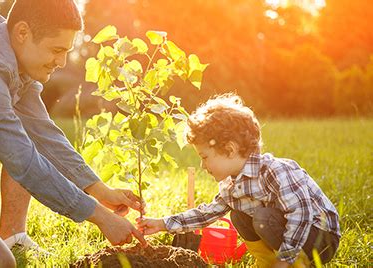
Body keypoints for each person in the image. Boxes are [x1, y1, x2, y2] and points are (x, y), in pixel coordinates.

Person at [0, 0, 147, 266]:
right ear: (22, 32)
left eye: (67, 51)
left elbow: (44, 135)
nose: (62, 62)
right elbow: (23, 161)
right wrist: (100, 216)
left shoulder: (14, 57)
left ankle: (12, 235)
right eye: (56, 50)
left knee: (22, 136)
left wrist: (100, 190)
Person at [136, 93, 340, 268]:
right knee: (239, 215)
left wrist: (285, 260)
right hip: (289, 232)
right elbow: (206, 214)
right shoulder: (230, 186)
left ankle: (294, 264)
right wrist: (162, 224)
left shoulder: (274, 171)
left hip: (320, 237)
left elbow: (301, 213)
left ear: (230, 150)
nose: (202, 165)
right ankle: (267, 263)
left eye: (204, 157)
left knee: (261, 217)